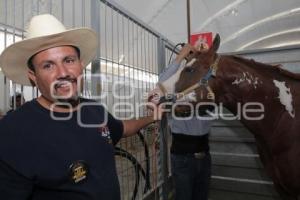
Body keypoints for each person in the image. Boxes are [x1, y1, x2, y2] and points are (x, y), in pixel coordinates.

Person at [0, 14, 162, 200]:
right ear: (33, 76)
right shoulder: (12, 133)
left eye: (69, 60)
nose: (63, 73)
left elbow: (123, 128)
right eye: (48, 65)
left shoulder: (94, 110)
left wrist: (153, 116)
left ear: (81, 65)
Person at [159, 44, 212, 200]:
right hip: (183, 156)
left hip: (204, 153)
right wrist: (180, 57)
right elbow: (162, 82)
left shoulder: (204, 80)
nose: (193, 54)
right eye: (190, 52)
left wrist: (205, 57)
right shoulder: (177, 82)